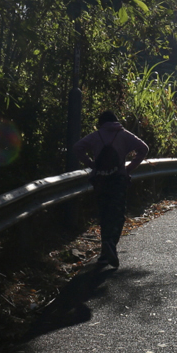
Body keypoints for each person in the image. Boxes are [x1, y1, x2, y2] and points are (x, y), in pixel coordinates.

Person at [72, 110, 149, 267]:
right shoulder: (124, 135)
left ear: (101, 123)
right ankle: (111, 243)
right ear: (116, 121)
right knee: (118, 214)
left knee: (104, 213)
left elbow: (77, 147)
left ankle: (104, 251)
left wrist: (91, 164)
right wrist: (129, 168)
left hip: (100, 180)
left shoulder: (96, 135)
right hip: (118, 179)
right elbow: (144, 148)